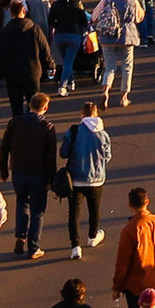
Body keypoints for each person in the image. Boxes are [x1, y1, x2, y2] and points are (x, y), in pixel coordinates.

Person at [0, 91, 59, 261]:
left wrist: (3, 169)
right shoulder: (47, 127)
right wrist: (51, 179)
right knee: (37, 211)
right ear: (45, 107)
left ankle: (20, 235)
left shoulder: (15, 122)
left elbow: (5, 147)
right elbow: (50, 156)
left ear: (30, 104)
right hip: (38, 174)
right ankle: (34, 247)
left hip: (18, 171)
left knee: (21, 203)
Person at [59, 103, 110, 256]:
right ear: (96, 115)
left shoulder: (74, 131)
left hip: (75, 178)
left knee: (74, 212)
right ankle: (93, 236)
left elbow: (63, 153)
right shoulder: (103, 134)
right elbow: (107, 157)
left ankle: (75, 246)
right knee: (94, 209)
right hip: (96, 179)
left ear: (82, 115)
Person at [110, 188, 155, 308]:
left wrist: (117, 287)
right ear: (147, 202)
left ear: (129, 205)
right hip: (154, 280)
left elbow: (123, 261)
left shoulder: (130, 229)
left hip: (135, 285)